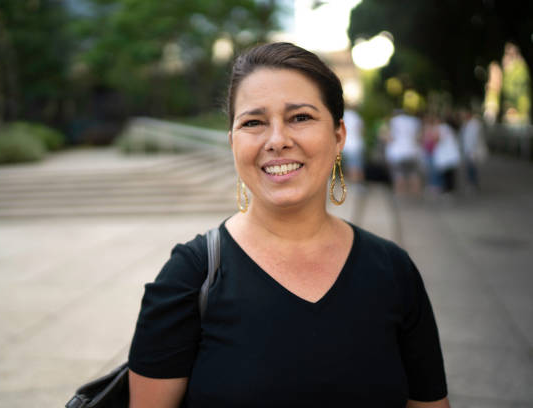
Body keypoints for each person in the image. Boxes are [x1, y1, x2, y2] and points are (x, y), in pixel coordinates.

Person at [127, 42, 449, 408]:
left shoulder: (394, 271)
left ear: (339, 135)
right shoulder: (189, 277)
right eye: (253, 122)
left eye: (300, 117)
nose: (277, 141)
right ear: (233, 143)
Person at [385, 108, 423, 196]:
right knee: (414, 174)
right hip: (413, 152)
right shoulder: (414, 121)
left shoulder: (393, 121)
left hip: (397, 153)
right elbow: (419, 137)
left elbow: (389, 137)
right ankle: (415, 197)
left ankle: (401, 197)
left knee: (398, 175)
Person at [460, 109, 487, 191]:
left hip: (472, 150)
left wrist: (471, 150)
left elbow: (473, 138)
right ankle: (472, 183)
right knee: (470, 168)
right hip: (468, 149)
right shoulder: (467, 124)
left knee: (472, 168)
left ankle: (473, 184)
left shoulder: (474, 124)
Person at [342, 106, 365, 183]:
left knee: (348, 167)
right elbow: (361, 131)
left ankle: (350, 185)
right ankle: (356, 185)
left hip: (345, 145)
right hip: (356, 145)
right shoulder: (356, 116)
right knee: (356, 167)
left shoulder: (343, 116)